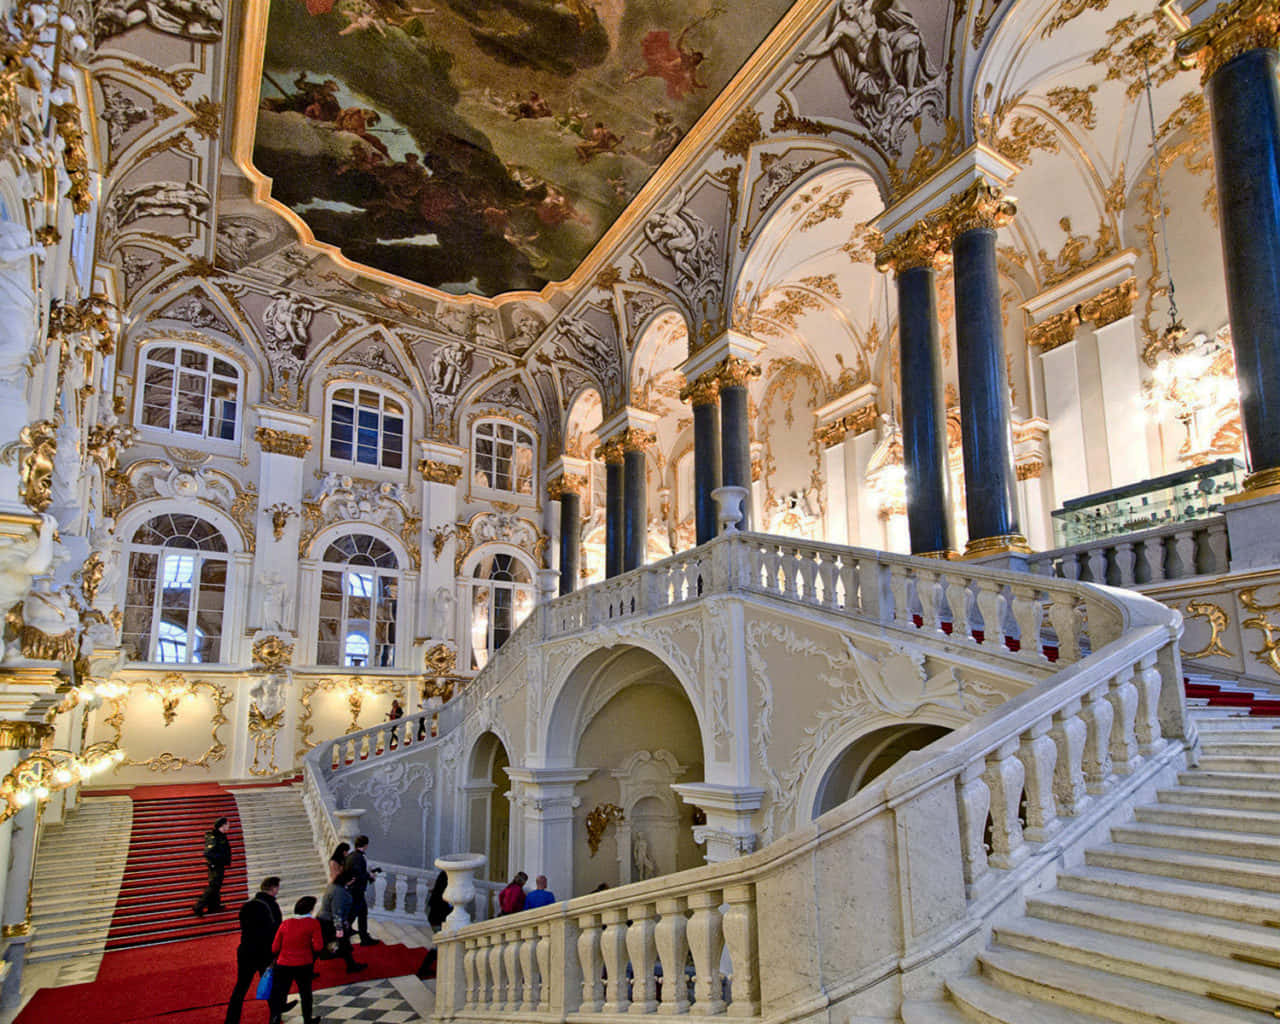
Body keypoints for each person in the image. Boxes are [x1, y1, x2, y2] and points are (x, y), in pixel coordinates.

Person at [225, 876, 290, 1024]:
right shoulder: (272, 906)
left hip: (245, 950)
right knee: (270, 983)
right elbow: (276, 931)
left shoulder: (247, 905)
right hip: (264, 952)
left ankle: (231, 1020)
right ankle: (275, 1017)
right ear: (273, 888)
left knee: (241, 987)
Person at [269, 896, 323, 1024]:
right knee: (305, 994)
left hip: (283, 964)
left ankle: (275, 1018)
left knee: (281, 992)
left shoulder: (285, 923)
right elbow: (318, 946)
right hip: (303, 963)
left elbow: (274, 948)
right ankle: (307, 1020)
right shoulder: (313, 923)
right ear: (310, 909)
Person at [317, 869, 368, 973]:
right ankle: (351, 966)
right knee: (343, 943)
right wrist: (339, 928)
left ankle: (347, 963)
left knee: (332, 943)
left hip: (325, 920)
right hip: (329, 922)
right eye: (352, 879)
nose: (353, 881)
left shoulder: (335, 886)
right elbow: (337, 911)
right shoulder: (339, 892)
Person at [342, 835, 382, 945]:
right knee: (353, 915)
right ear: (365, 845)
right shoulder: (359, 858)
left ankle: (362, 937)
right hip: (357, 891)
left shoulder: (351, 855)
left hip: (352, 890)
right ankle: (344, 937)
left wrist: (368, 874)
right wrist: (370, 876)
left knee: (361, 913)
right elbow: (358, 876)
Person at [194, 816, 232, 916]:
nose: (229, 827)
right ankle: (198, 906)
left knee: (216, 886)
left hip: (219, 865)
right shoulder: (214, 836)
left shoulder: (221, 835)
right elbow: (208, 852)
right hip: (216, 866)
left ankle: (214, 905)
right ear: (223, 825)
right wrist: (217, 861)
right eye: (228, 824)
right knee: (213, 886)